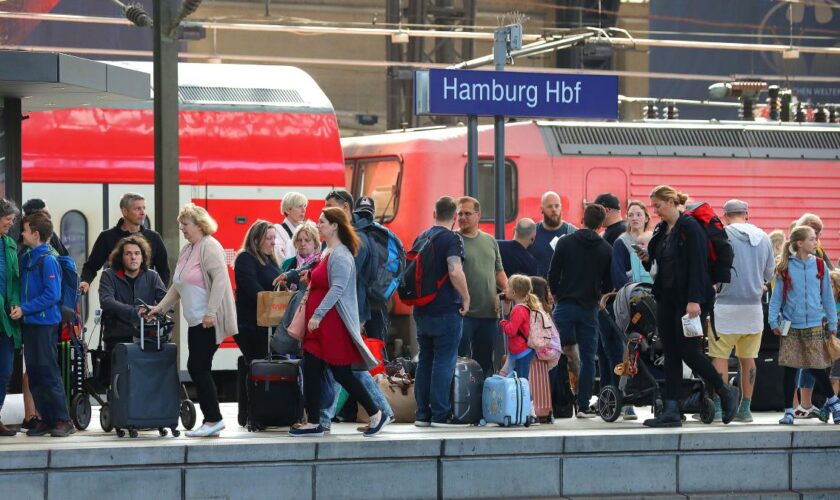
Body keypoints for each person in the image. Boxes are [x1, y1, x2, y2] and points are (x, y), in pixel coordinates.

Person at [639, 185, 739, 428]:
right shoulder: (663, 231)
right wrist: (646, 260)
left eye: (658, 206)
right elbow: (659, 266)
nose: (656, 211)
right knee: (671, 351)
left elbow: (697, 266)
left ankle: (725, 391)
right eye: (653, 206)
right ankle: (672, 409)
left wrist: (694, 300)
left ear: (672, 202)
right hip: (667, 298)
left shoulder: (690, 228)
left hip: (690, 300)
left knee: (688, 350)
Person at [289, 207, 387, 438]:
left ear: (334, 226)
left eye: (322, 221)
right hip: (320, 328)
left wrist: (318, 315)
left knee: (342, 373)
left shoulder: (341, 254)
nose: (318, 224)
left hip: (330, 325)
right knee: (312, 370)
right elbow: (325, 280)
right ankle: (314, 421)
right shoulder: (328, 251)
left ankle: (376, 412)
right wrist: (310, 277)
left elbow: (338, 288)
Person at [146, 204, 237, 438]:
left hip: (208, 320)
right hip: (195, 320)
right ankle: (211, 420)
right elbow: (178, 285)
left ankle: (214, 419)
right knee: (199, 366)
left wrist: (211, 312)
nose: (182, 228)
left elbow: (220, 281)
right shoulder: (189, 249)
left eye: (185, 224)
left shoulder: (209, 246)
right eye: (181, 225)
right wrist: (160, 307)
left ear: (198, 224)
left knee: (198, 367)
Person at [707, 200, 775, 423]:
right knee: (749, 359)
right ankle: (745, 409)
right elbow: (769, 273)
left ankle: (719, 406)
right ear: (747, 213)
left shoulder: (721, 235)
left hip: (724, 307)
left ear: (725, 216)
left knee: (720, 357)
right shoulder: (763, 238)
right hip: (753, 309)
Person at [769, 225, 840, 425]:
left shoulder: (819, 266)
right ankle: (789, 411)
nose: (815, 242)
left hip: (815, 325)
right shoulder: (785, 267)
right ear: (799, 243)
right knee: (790, 370)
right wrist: (773, 320)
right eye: (811, 239)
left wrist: (832, 322)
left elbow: (827, 296)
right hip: (791, 326)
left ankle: (833, 403)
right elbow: (776, 298)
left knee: (816, 366)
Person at [11, 212, 73, 437]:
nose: (22, 234)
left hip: (45, 324)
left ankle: (62, 419)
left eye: (25, 230)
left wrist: (25, 309)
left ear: (35, 234)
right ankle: (46, 418)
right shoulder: (28, 257)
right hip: (31, 324)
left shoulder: (47, 260)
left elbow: (52, 294)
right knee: (35, 372)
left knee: (48, 371)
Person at [548, 204, 613, 418]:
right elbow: (608, 283)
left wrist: (557, 294)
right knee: (587, 358)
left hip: (565, 305)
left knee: (552, 353)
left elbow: (553, 273)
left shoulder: (565, 242)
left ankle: (548, 401)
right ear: (601, 224)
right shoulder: (606, 249)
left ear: (582, 218)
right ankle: (583, 405)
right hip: (589, 309)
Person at [412, 196, 470, 427]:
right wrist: (466, 297)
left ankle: (422, 414)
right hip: (445, 309)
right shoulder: (451, 239)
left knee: (425, 359)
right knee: (444, 360)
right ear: (455, 217)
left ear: (434, 214)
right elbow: (454, 270)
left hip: (421, 309)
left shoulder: (422, 236)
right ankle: (441, 414)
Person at [456, 196, 508, 377]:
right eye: (460, 213)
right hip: (463, 314)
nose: (462, 217)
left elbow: (498, 272)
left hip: (488, 315)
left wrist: (509, 290)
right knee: (459, 362)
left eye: (467, 213)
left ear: (478, 215)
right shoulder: (453, 240)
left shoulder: (490, 241)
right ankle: (459, 401)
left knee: (484, 364)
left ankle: (482, 402)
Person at [80, 192, 170, 293]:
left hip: (145, 302)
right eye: (137, 209)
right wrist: (85, 281)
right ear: (125, 211)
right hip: (116, 300)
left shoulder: (154, 238)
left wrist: (160, 298)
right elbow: (91, 266)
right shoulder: (107, 237)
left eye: (144, 208)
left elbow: (164, 271)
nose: (143, 213)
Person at [98, 236, 167, 350]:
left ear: (142, 257)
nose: (133, 257)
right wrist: (135, 312)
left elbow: (167, 302)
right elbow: (106, 301)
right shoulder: (109, 275)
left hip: (146, 336)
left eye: (137, 253)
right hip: (117, 336)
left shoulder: (152, 276)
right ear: (121, 258)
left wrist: (155, 311)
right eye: (128, 254)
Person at [233, 220, 282, 362]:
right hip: (250, 326)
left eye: (274, 238)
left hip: (268, 326)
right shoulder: (245, 258)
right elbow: (254, 291)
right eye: (269, 238)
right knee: (258, 365)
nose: (273, 242)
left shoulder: (270, 259)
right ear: (255, 239)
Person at [0, 200, 20, 436]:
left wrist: (15, 303)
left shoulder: (10, 245)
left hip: (6, 317)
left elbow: (15, 280)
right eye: (9, 219)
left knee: (4, 368)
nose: (11, 223)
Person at [530, 191, 577, 278]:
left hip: (564, 288)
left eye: (557, 206)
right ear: (542, 209)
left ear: (561, 208)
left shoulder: (573, 233)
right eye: (549, 206)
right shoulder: (532, 232)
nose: (554, 209)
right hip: (538, 288)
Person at [611, 201, 654, 289]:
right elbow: (618, 274)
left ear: (646, 218)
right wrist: (631, 293)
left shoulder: (654, 239)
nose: (634, 218)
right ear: (627, 219)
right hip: (631, 293)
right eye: (630, 215)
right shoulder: (620, 242)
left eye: (639, 214)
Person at [274, 191, 308, 262]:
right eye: (299, 206)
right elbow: (279, 257)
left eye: (304, 206)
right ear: (287, 210)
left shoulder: (307, 228)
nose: (303, 210)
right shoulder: (278, 230)